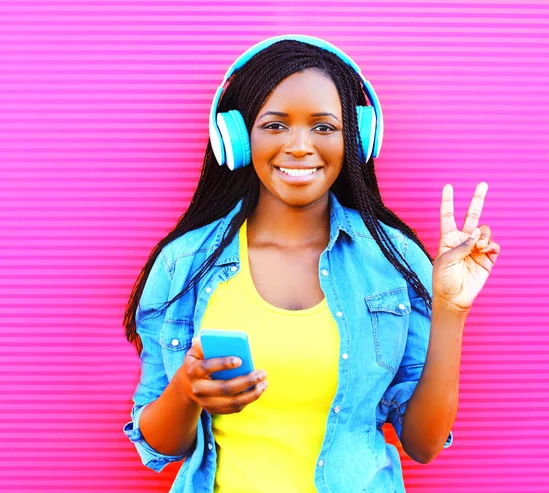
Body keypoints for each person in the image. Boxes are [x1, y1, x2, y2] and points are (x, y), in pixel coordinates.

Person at [122, 35, 500, 493]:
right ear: (236, 138)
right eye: (276, 125)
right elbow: (160, 446)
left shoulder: (392, 261)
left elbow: (423, 444)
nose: (300, 146)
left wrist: (450, 312)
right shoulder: (183, 264)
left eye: (323, 127)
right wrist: (186, 391)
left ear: (357, 137)